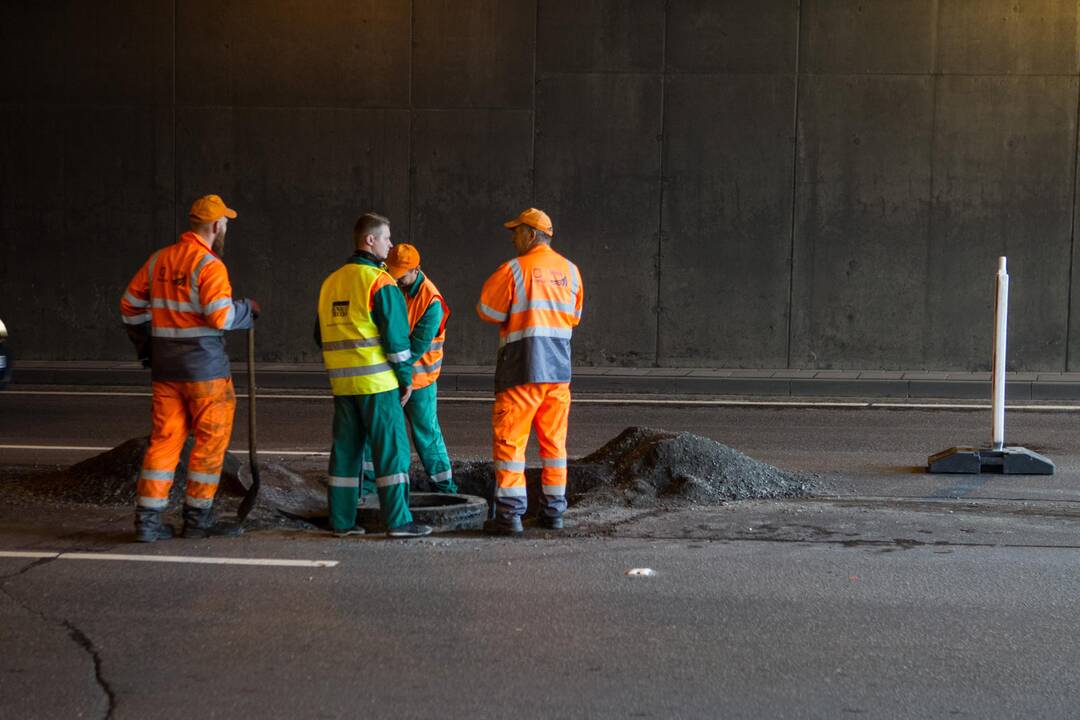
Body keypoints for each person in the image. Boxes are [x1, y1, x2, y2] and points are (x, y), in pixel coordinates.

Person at [120, 194, 260, 542]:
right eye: (225, 222)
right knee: (209, 445)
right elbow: (221, 316)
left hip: (166, 371)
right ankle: (198, 521)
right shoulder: (209, 265)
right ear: (216, 226)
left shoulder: (158, 261)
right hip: (205, 373)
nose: (225, 226)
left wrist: (148, 347)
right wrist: (248, 309)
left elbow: (129, 307)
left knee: (165, 442)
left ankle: (148, 523)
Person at [315, 213, 431, 538]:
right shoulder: (380, 282)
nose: (390, 244)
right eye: (386, 238)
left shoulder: (331, 282)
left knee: (346, 453)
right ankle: (398, 522)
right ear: (370, 240)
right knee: (391, 451)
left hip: (343, 384)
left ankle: (341, 522)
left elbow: (319, 333)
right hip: (378, 384)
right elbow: (397, 341)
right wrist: (405, 377)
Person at [476, 208, 584, 535]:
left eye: (517, 231)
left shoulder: (514, 270)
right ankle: (553, 511)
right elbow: (574, 316)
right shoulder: (571, 270)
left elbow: (487, 311)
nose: (513, 237)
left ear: (531, 235)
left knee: (511, 443)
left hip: (522, 370)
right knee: (554, 445)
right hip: (558, 373)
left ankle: (509, 515)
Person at [353, 243, 459, 496]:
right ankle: (366, 489)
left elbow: (414, 349)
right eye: (393, 273)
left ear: (416, 269)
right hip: (390, 375)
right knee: (374, 431)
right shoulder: (387, 282)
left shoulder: (431, 302)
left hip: (419, 381)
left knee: (426, 435)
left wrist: (401, 377)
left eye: (401, 275)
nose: (396, 279)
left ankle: (446, 490)